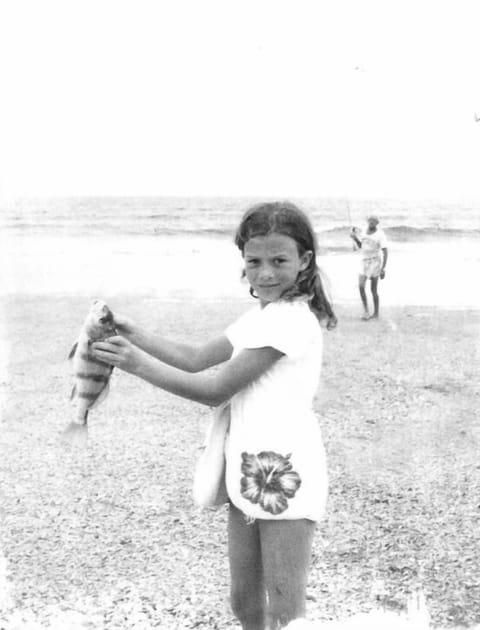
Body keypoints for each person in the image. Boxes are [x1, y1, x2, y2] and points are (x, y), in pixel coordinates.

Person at [91, 201, 337, 630]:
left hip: (284, 469)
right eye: (254, 261)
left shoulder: (291, 322)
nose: (265, 273)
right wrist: (132, 331)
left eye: (279, 260)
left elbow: (214, 390)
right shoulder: (262, 315)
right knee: (244, 601)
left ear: (304, 261)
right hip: (246, 466)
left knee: (285, 612)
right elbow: (195, 358)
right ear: (242, 262)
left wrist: (134, 364)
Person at [350, 215, 388, 320]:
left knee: (373, 290)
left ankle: (376, 313)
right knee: (361, 286)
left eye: (374, 221)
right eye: (370, 221)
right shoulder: (363, 232)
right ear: (368, 221)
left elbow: (385, 251)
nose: (371, 223)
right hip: (364, 261)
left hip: (375, 262)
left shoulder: (380, 235)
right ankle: (366, 311)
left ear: (377, 223)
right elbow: (360, 246)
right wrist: (354, 238)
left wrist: (383, 268)